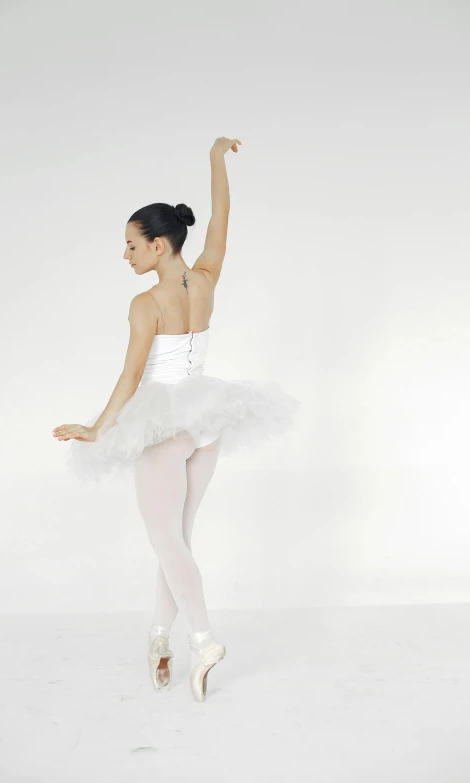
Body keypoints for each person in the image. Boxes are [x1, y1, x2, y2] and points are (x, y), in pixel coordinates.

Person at [52, 136, 302, 701]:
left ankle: (204, 638)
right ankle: (160, 638)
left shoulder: (147, 303)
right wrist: (216, 160)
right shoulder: (207, 279)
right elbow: (222, 218)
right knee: (178, 539)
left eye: (131, 245)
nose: (125, 255)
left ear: (159, 245)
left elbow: (131, 376)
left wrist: (96, 428)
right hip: (208, 418)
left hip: (166, 423)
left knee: (166, 539)